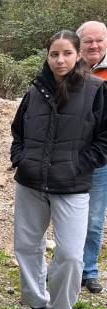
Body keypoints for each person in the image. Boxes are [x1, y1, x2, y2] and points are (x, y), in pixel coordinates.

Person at [10, 31, 107, 309]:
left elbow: (104, 137)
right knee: (27, 247)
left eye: (66, 53)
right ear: (48, 56)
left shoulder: (95, 90)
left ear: (77, 55)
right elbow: (18, 130)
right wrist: (21, 158)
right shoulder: (35, 90)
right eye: (54, 54)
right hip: (31, 183)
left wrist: (80, 164)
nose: (60, 60)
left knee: (71, 254)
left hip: (72, 186)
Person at [77, 21, 107, 294]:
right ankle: (67, 267)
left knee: (94, 218)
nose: (94, 46)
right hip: (70, 155)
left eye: (99, 40)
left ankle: (89, 270)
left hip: (100, 157)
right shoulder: (68, 69)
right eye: (88, 41)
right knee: (67, 214)